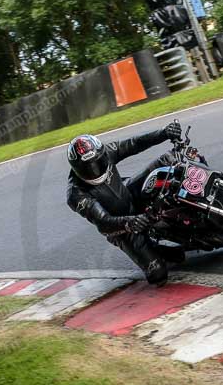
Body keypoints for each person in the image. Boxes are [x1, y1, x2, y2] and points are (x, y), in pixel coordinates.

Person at [66, 122, 185, 285]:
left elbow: (134, 143)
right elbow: (104, 222)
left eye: (97, 162)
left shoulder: (107, 152)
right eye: (88, 168)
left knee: (169, 160)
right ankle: (157, 250)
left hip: (128, 193)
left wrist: (164, 133)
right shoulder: (76, 194)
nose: (95, 169)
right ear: (76, 169)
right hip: (120, 227)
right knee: (157, 274)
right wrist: (129, 223)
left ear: (101, 154)